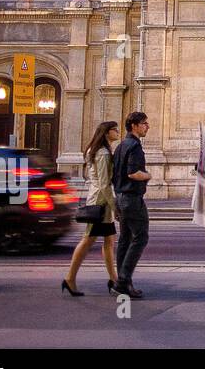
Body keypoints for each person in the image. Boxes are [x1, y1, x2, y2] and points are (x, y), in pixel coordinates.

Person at [62, 121, 121, 297]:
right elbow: (104, 183)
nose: (118, 132)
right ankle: (70, 278)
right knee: (88, 240)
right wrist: (115, 206)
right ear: (106, 133)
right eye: (115, 130)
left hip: (99, 200)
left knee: (109, 242)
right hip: (100, 203)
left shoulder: (97, 151)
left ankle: (114, 279)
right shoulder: (102, 153)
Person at [112, 112, 151, 299]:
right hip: (132, 199)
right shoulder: (134, 146)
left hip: (120, 197)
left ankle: (124, 283)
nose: (147, 126)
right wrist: (148, 175)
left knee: (125, 240)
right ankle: (123, 281)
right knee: (141, 237)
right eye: (144, 123)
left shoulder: (120, 146)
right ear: (134, 125)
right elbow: (133, 173)